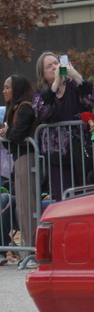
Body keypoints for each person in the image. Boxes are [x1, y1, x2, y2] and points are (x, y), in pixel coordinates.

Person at [32, 52, 94, 201]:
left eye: (56, 63)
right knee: (64, 196)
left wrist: (77, 76)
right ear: (42, 74)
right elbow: (42, 111)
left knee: (85, 195)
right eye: (48, 66)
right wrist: (55, 84)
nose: (54, 67)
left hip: (81, 149)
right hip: (58, 154)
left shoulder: (74, 86)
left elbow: (92, 99)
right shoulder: (41, 93)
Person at [1, 75, 37, 256]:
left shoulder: (25, 107)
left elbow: (19, 134)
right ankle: (29, 248)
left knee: (27, 205)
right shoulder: (16, 108)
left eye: (7, 87)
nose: (4, 91)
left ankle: (32, 249)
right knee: (22, 205)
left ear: (17, 88)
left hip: (27, 157)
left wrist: (7, 132)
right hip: (20, 158)